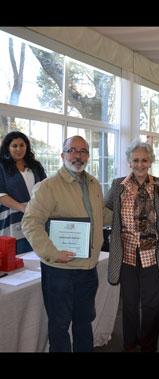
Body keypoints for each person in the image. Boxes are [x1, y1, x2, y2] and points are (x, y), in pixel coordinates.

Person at [22, 135, 104, 352]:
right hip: (60, 271)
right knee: (59, 325)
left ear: (88, 155)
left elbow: (100, 216)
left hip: (88, 269)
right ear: (63, 155)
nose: (78, 155)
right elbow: (30, 223)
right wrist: (52, 252)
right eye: (72, 150)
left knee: (84, 322)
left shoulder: (94, 184)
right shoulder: (47, 187)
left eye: (83, 151)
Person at [105, 140, 159, 352]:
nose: (140, 164)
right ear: (129, 162)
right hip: (127, 254)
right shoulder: (118, 186)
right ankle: (129, 343)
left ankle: (149, 345)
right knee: (130, 304)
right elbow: (106, 212)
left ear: (150, 161)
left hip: (153, 254)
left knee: (152, 304)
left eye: (144, 160)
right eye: (136, 160)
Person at [0, 131, 46, 254]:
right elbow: (1, 195)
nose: (18, 149)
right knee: (16, 254)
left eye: (22, 145)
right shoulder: (1, 167)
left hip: (36, 214)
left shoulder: (35, 166)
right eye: (14, 146)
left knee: (36, 251)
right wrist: (23, 208)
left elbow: (45, 188)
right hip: (12, 215)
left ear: (27, 147)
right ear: (7, 148)